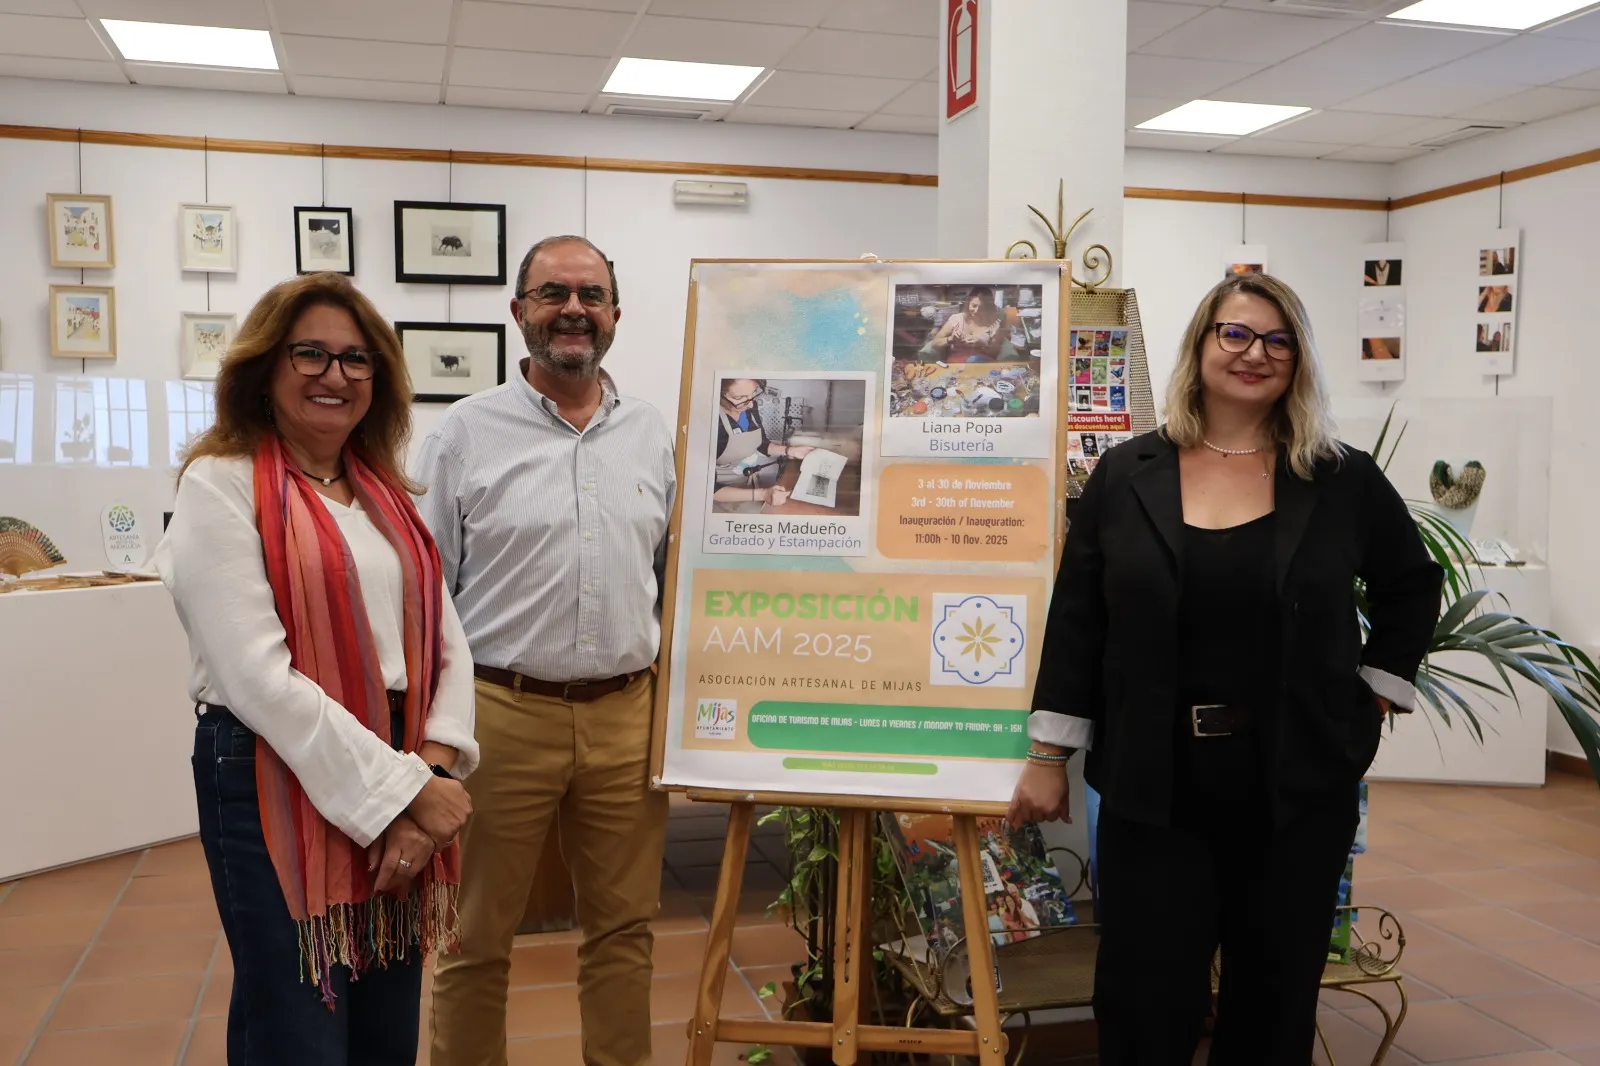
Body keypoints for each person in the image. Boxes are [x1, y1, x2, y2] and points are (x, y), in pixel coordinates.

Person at [1008, 273, 1441, 1064]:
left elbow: (1412, 583)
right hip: (1153, 783)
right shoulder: (1126, 474)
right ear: (1201, 344)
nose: (1255, 354)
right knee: (1143, 1000)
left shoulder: (1340, 479)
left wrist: (1374, 694)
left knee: (1273, 1006)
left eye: (1278, 340)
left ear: (1298, 359)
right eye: (1235, 334)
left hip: (1297, 784)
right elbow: (1079, 620)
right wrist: (1047, 757)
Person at [154, 272, 479, 1065]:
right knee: (297, 1026)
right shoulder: (220, 485)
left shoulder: (386, 495)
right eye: (311, 353)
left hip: (401, 762)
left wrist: (429, 767)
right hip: (271, 771)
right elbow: (257, 679)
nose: (335, 375)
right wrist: (407, 790)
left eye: (357, 359)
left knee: (383, 1027)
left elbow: (448, 641)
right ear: (264, 367)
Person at [417, 235, 676, 1066]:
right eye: (554, 293)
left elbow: (669, 570)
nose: (574, 309)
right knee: (473, 934)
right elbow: (428, 595)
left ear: (615, 317)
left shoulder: (650, 434)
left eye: (591, 295)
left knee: (624, 931)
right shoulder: (462, 434)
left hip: (627, 715)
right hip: (500, 714)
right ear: (519, 310)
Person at [711, 377, 812, 512]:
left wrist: (790, 451)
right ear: (718, 393)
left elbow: (761, 443)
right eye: (741, 397)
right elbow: (708, 488)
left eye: (753, 393)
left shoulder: (749, 407)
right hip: (724, 501)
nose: (751, 404)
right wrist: (763, 494)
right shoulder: (711, 420)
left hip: (751, 487)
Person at [923, 289, 1015, 362]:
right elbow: (935, 343)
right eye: (974, 306)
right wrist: (950, 339)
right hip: (957, 364)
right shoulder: (957, 319)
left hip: (984, 363)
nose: (976, 311)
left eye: (982, 308)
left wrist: (982, 344)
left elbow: (995, 352)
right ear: (968, 304)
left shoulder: (994, 323)